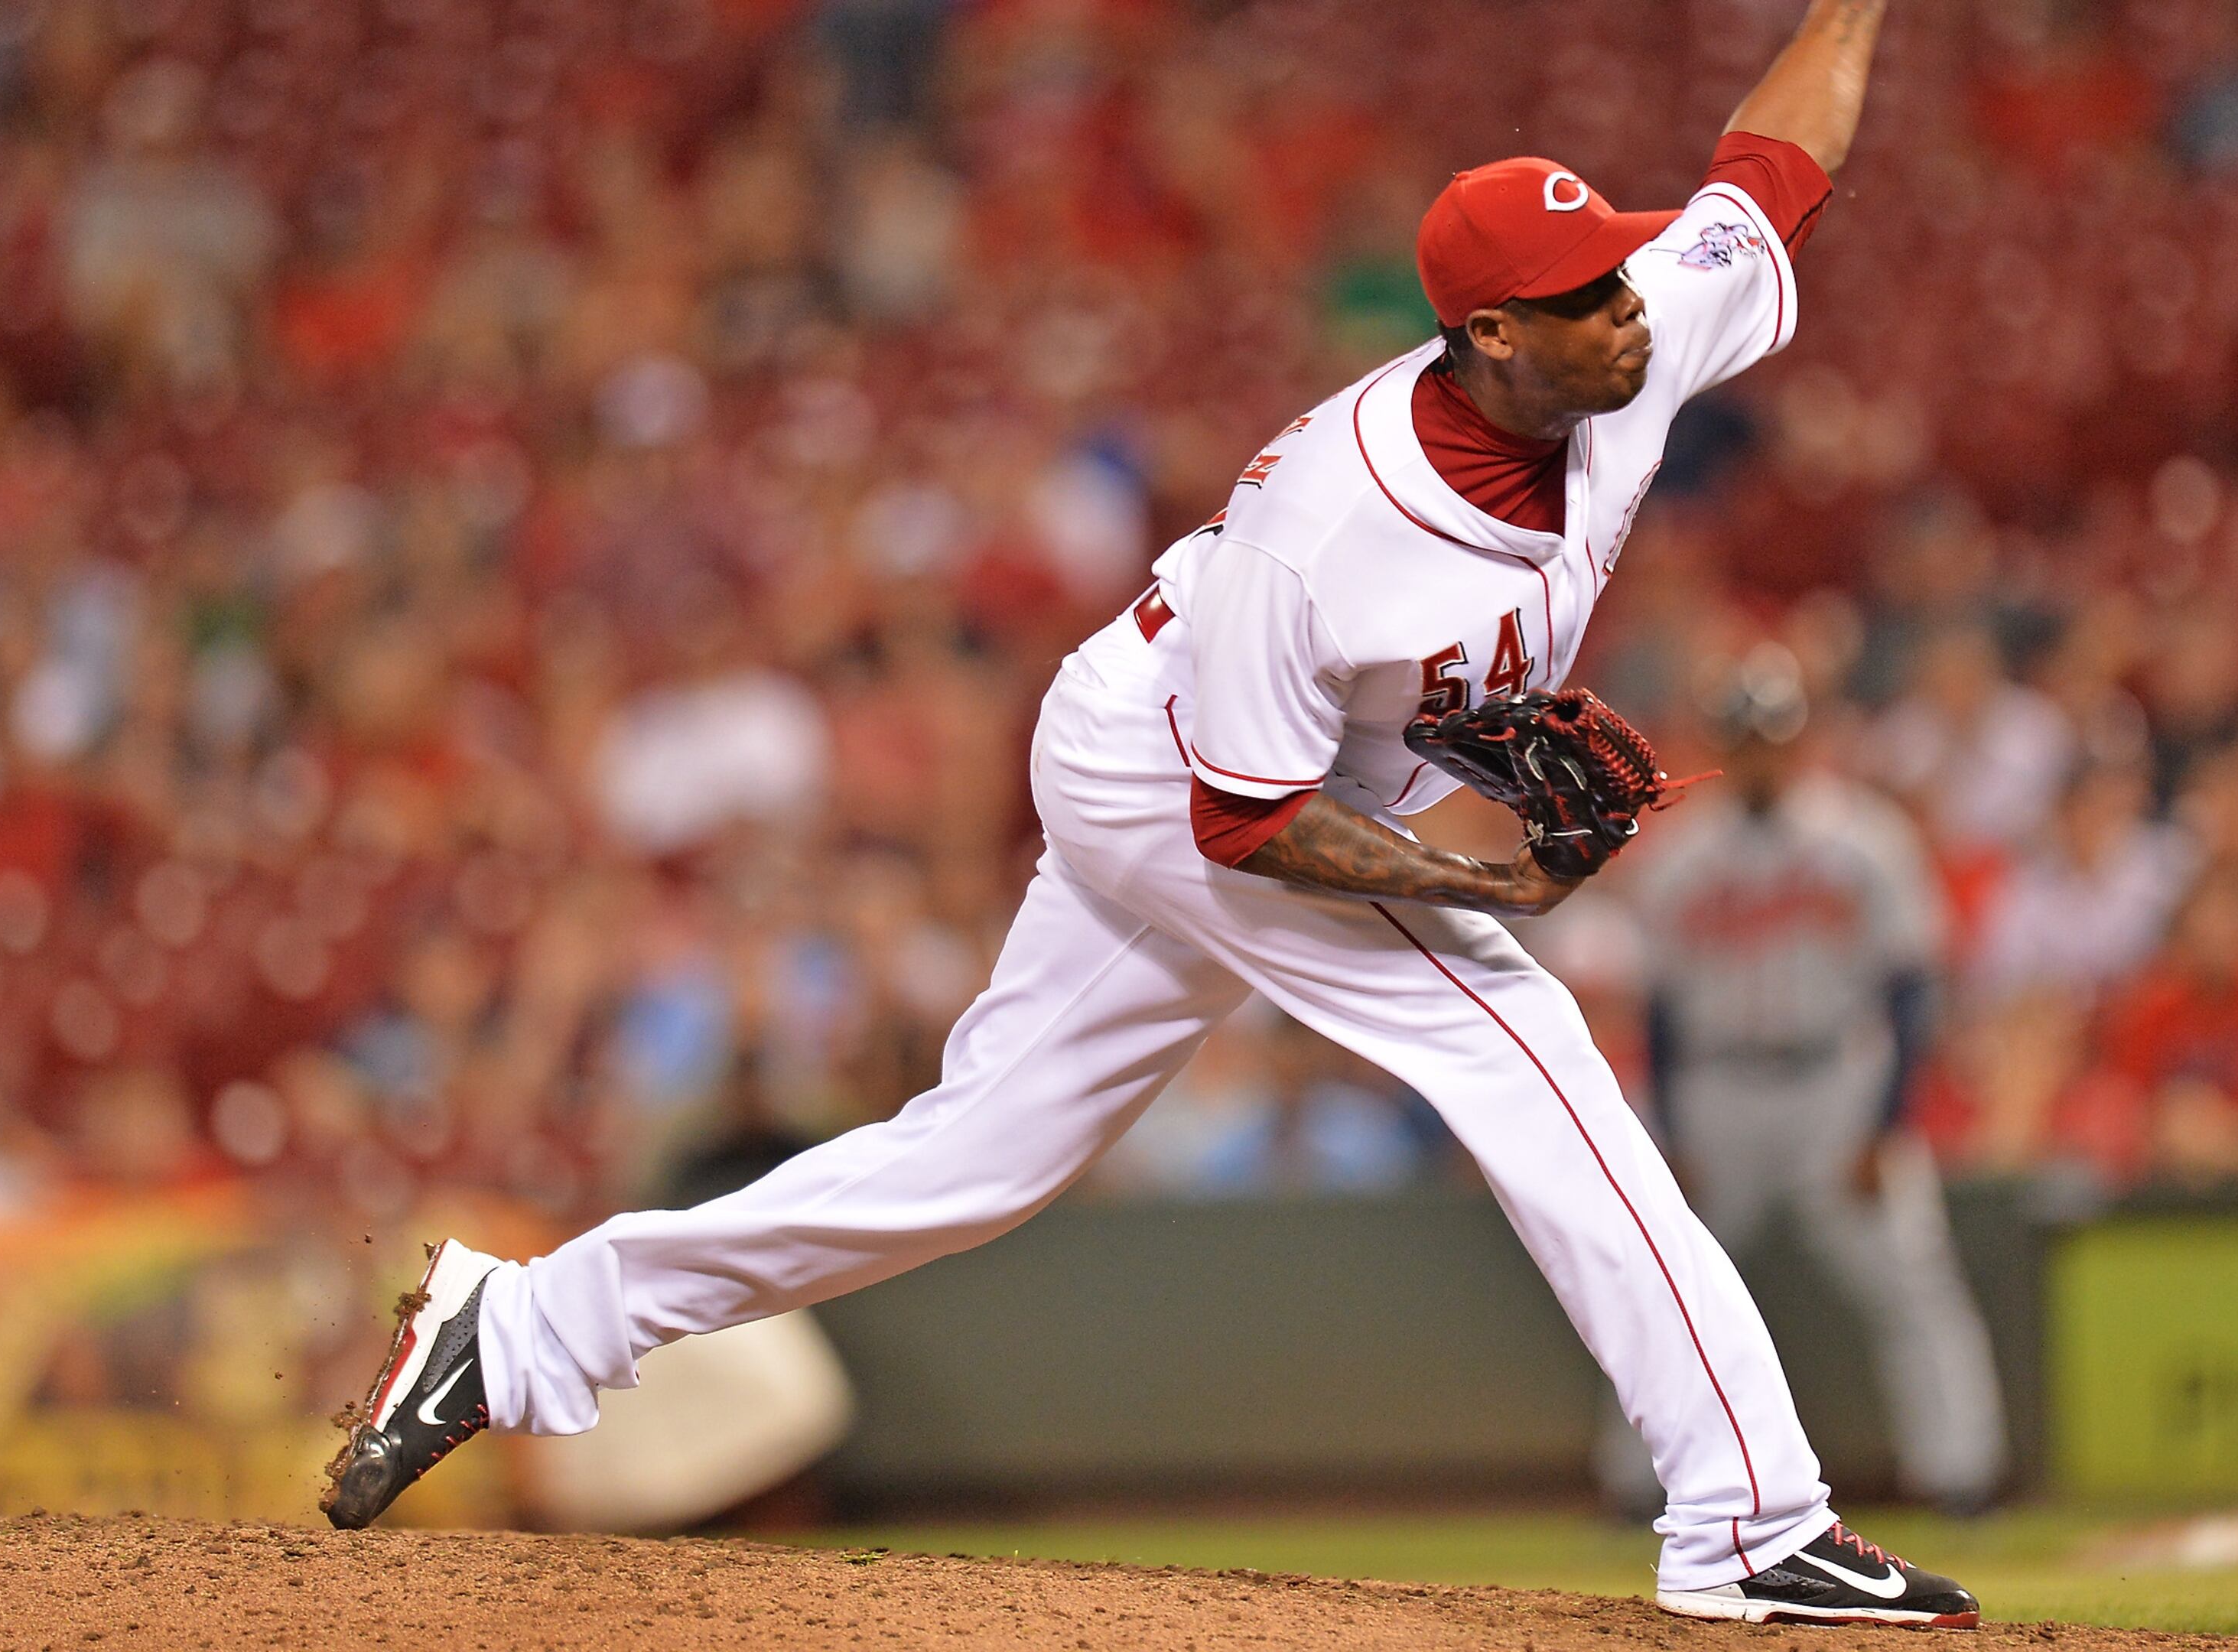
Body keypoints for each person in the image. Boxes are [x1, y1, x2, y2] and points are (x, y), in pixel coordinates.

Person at [323, 0, 1978, 1626]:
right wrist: (1491, 894)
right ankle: (1753, 1519)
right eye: (1578, 298)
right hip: (1171, 769)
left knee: (982, 1160)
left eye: (1618, 277)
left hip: (1246, 768)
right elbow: (1246, 825)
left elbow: (1768, 170)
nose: (1627, 313)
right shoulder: (1324, 524)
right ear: (1487, 334)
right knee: (1520, 1048)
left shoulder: (1630, 340)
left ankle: (524, 1330)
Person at [1632, 650, 2006, 1513]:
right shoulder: (1679, 857)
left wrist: (1886, 1124)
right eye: (1743, 737)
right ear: (1721, 744)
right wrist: (1673, 1131)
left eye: (1772, 735)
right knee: (1667, 1289)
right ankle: (1638, 1485)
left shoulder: (1864, 839)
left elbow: (1911, 989)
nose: (1759, 754)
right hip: (1717, 1091)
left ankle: (1962, 1476)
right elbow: (1659, 1010)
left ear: (1800, 740)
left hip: (1838, 1085)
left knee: (1911, 1281)